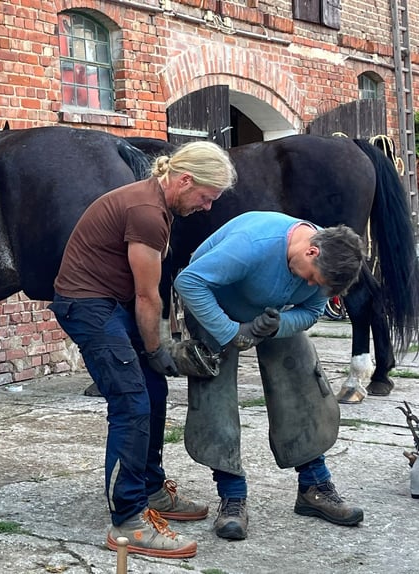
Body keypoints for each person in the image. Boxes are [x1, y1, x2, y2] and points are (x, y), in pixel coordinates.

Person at [48, 141, 237, 559]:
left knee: (153, 392)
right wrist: (156, 349)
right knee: (132, 402)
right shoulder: (148, 212)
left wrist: (155, 352)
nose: (207, 207)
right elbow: (148, 296)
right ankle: (128, 521)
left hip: (111, 304)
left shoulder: (156, 202)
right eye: (206, 197)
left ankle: (150, 488)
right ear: (185, 180)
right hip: (89, 307)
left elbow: (147, 295)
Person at [173, 211, 366, 541]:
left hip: (268, 313)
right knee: (214, 397)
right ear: (311, 251)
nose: (309, 285)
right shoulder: (252, 245)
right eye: (312, 278)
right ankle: (232, 497)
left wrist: (278, 327)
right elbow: (189, 281)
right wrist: (231, 332)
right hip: (213, 304)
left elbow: (312, 311)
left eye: (316, 285)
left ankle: (314, 487)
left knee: (303, 384)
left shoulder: (330, 262)